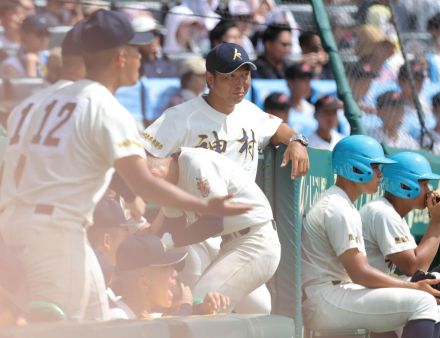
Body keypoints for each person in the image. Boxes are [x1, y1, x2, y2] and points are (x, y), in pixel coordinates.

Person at [0, 10, 250, 322]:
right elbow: (143, 183)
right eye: (137, 51)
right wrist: (204, 204)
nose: (142, 59)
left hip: (13, 229)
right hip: (54, 237)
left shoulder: (31, 104)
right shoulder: (105, 106)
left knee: (100, 321)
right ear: (120, 57)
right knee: (58, 330)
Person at [302, 135, 440, 336]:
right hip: (325, 297)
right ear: (355, 168)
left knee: (428, 294)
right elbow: (360, 273)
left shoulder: (343, 203)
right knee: (423, 301)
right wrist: (413, 287)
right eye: (375, 167)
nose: (380, 175)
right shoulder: (336, 207)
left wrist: (413, 286)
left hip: (337, 291)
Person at [143, 41, 309, 182]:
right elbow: (143, 154)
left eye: (245, 75)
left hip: (244, 212)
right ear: (210, 79)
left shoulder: (250, 112)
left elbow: (278, 129)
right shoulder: (181, 116)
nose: (239, 83)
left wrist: (296, 141)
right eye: (230, 76)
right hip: (200, 213)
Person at [146, 147, 281, 313]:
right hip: (234, 245)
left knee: (201, 302)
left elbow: (214, 222)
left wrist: (166, 242)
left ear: (154, 174)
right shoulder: (167, 186)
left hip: (255, 241)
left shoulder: (196, 164)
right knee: (257, 311)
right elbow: (177, 240)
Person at [360, 151, 440, 279]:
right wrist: (437, 222)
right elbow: (414, 269)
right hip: (357, 290)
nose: (429, 191)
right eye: (424, 184)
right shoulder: (383, 212)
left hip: (372, 287)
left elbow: (419, 267)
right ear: (404, 185)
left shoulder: (393, 213)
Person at [112, 233, 230, 319]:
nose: (175, 273)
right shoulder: (117, 318)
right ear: (144, 283)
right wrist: (186, 307)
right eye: (165, 269)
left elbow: (163, 323)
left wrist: (202, 309)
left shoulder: (146, 316)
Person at [284, 62, 316, 136]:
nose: (307, 85)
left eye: (308, 81)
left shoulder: (312, 109)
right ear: (290, 82)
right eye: (303, 80)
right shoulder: (279, 109)